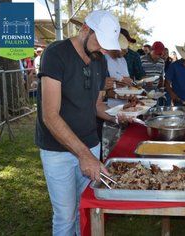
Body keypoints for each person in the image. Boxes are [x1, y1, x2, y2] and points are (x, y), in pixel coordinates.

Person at [35, 10, 123, 235]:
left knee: (84, 210)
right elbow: (50, 116)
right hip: (58, 151)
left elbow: (96, 106)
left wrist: (118, 117)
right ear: (85, 29)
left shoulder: (99, 60)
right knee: (65, 215)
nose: (103, 50)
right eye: (99, 43)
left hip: (91, 145)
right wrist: (84, 155)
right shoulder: (56, 54)